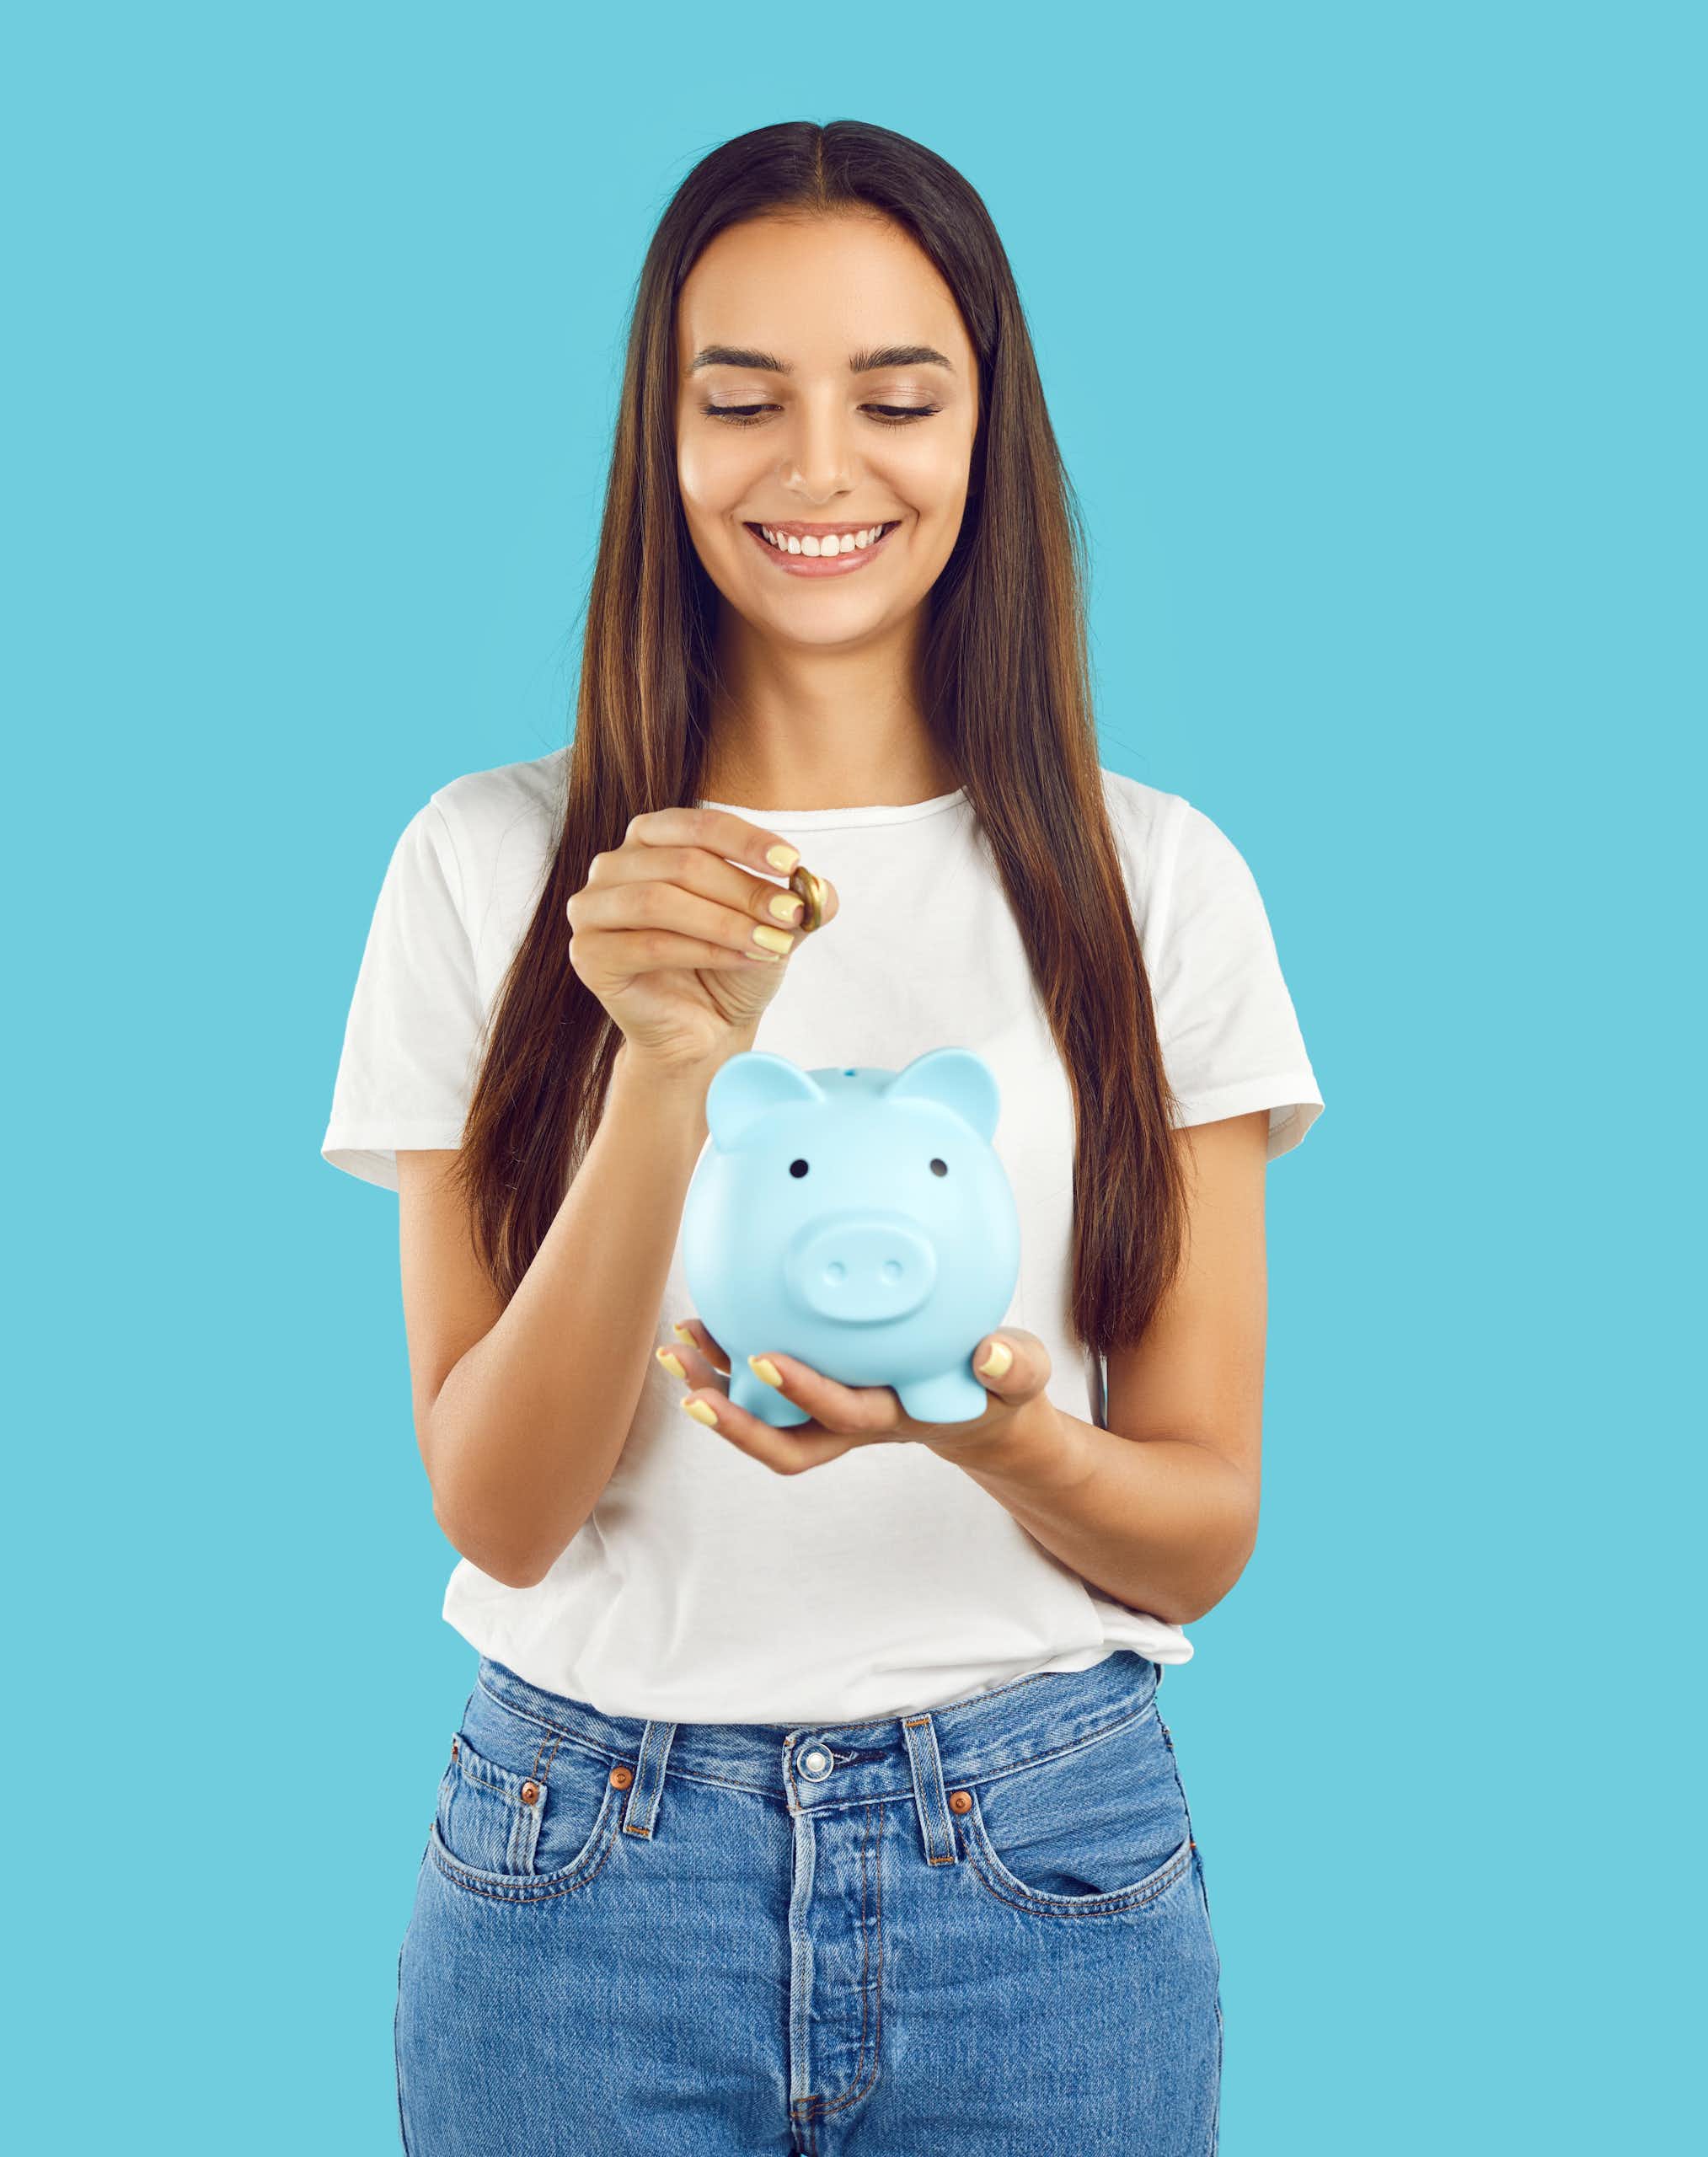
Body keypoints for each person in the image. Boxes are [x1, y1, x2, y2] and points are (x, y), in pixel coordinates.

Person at [322, 118, 1324, 2157]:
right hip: (579, 1866)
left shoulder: (1156, 883)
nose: (816, 469)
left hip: (1046, 1864)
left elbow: (1202, 1515)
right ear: (657, 437)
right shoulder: (490, 863)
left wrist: (994, 1431)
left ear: (987, 427)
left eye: (893, 394)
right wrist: (665, 1070)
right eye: (740, 398)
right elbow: (500, 1512)